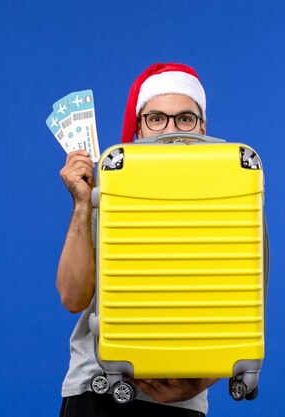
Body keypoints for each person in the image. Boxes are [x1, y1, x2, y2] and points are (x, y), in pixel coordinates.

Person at [57, 63, 216, 417]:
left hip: (179, 399)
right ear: (140, 128)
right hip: (97, 392)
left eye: (184, 119)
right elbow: (72, 297)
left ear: (202, 127)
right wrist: (84, 204)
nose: (172, 130)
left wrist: (202, 381)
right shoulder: (111, 194)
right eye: (157, 118)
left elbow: (237, 305)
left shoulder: (230, 200)